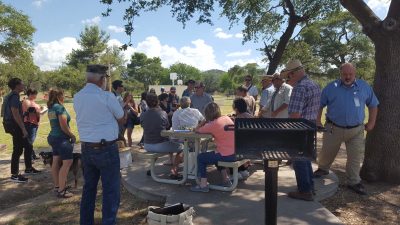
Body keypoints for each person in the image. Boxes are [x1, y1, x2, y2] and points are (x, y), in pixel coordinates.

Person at [313, 63, 379, 195]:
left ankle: (354, 181)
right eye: (344, 74)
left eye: (350, 74)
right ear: (340, 74)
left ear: (355, 74)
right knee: (327, 152)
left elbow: (373, 105)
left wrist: (371, 123)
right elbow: (318, 105)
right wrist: (317, 121)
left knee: (355, 157)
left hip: (356, 131)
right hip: (333, 128)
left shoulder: (364, 87)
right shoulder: (331, 87)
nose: (347, 77)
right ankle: (323, 169)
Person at [74, 64, 125, 225]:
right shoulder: (107, 97)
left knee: (89, 189)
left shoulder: (77, 96)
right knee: (111, 190)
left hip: (86, 148)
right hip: (106, 148)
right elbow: (121, 118)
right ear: (102, 79)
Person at [283, 59, 321, 201]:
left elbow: (294, 116)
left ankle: (305, 191)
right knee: (306, 158)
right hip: (310, 125)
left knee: (299, 158)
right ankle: (309, 186)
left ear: (293, 74)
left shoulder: (299, 88)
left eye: (288, 76)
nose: (288, 79)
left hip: (299, 127)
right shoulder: (314, 85)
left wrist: (288, 132)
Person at [191, 102, 236, 192]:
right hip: (235, 152)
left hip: (226, 155)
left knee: (201, 157)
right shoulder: (226, 118)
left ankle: (203, 185)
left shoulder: (212, 125)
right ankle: (225, 179)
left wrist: (203, 122)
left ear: (207, 114)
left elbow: (196, 130)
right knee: (214, 154)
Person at [2, 78, 40, 183]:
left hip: (11, 124)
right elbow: (15, 113)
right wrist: (23, 128)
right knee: (18, 149)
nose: (23, 85)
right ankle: (14, 175)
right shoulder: (14, 96)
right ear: (17, 85)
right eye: (22, 83)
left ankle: (28, 168)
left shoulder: (11, 96)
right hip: (15, 125)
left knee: (27, 145)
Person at [140, 93, 183, 179]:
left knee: (170, 143)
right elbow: (167, 126)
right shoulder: (162, 113)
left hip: (147, 145)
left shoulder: (143, 114)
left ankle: (151, 168)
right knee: (182, 147)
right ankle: (174, 170)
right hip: (160, 144)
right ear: (158, 102)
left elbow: (143, 125)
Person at [47, 88, 76, 198]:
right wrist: (72, 135)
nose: (64, 97)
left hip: (53, 137)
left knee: (55, 161)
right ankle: (62, 190)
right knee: (67, 162)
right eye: (63, 95)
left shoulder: (51, 108)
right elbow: (63, 126)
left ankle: (57, 186)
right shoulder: (59, 108)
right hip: (61, 138)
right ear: (59, 96)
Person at [22, 88, 42, 160]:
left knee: (30, 141)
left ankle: (32, 155)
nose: (36, 95)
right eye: (34, 94)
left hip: (34, 123)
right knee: (30, 141)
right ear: (30, 94)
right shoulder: (26, 101)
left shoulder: (32, 101)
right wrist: (38, 110)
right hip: (30, 123)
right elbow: (30, 110)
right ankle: (29, 158)